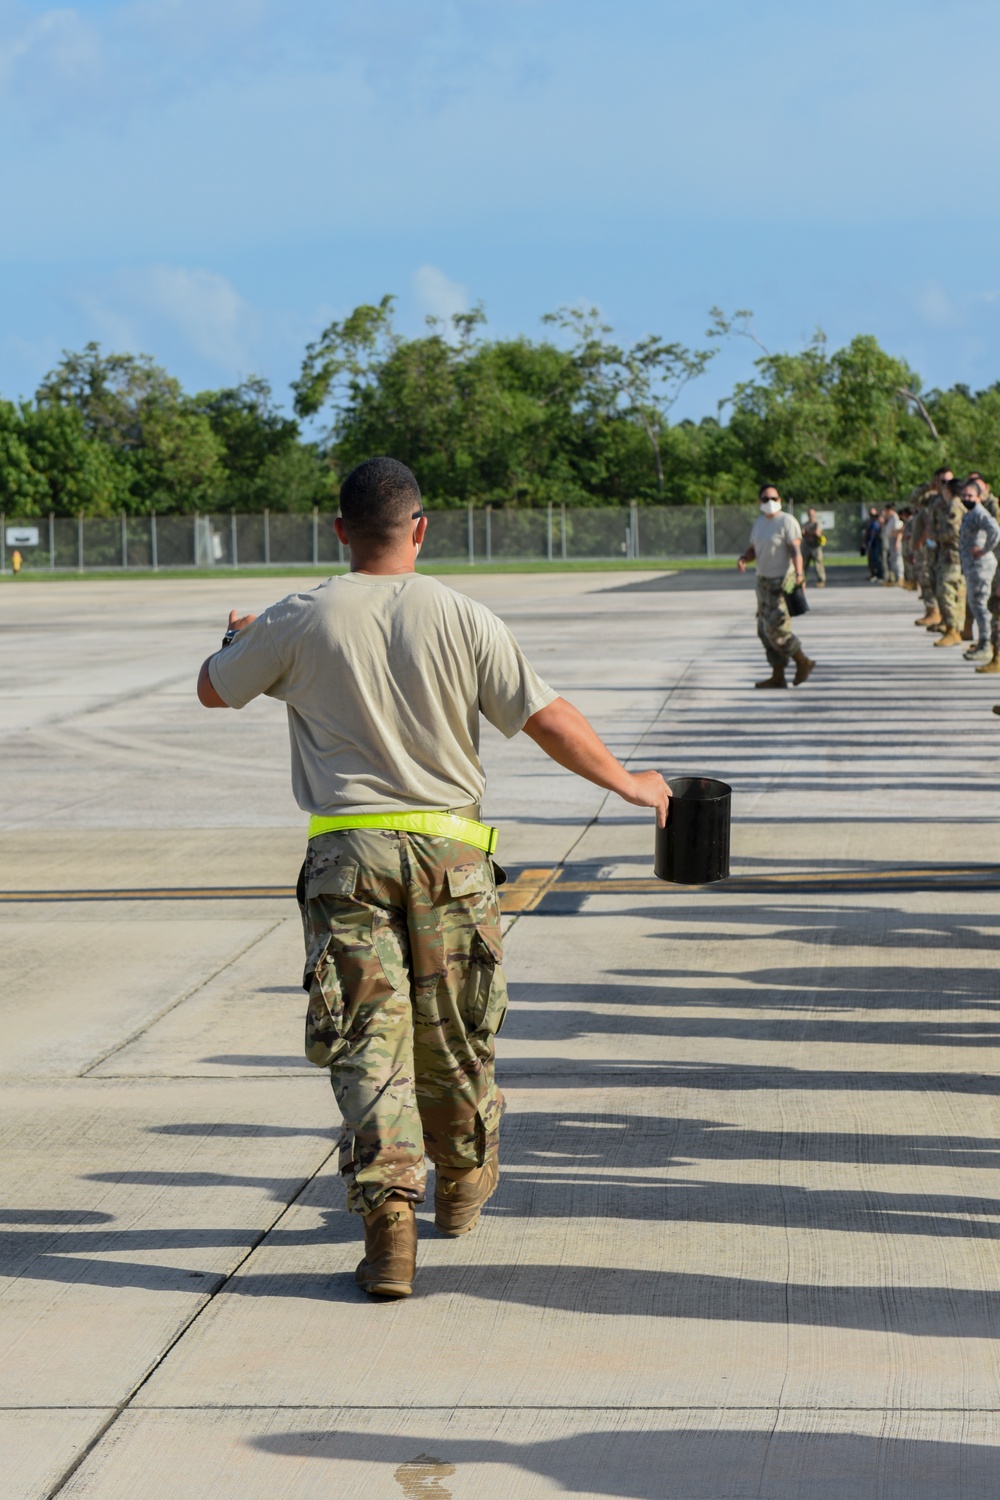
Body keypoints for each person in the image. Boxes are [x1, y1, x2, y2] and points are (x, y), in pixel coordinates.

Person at [196, 456, 670, 1299]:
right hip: (452, 856)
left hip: (349, 856)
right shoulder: (463, 616)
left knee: (369, 1046)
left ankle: (390, 1228)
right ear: (420, 528)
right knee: (455, 1036)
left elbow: (213, 690)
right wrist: (630, 784)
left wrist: (244, 639)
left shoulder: (298, 617)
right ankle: (460, 1181)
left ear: (339, 529)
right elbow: (546, 718)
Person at [737, 483, 815, 689]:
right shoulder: (760, 523)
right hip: (762, 582)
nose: (770, 503)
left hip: (783, 579)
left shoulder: (786, 521)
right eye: (765, 499)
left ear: (780, 500)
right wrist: (745, 557)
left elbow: (795, 551)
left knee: (778, 629)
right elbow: (754, 548)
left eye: (774, 498)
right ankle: (778, 675)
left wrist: (799, 575)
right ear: (759, 502)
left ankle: (803, 661)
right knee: (764, 630)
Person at [958, 478, 1000, 664]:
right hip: (972, 567)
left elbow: (995, 532)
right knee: (975, 605)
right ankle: (983, 642)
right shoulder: (969, 514)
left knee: (981, 606)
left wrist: (984, 550)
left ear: (979, 497)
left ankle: (986, 645)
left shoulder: (979, 513)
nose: (967, 498)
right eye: (964, 495)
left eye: (970, 495)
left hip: (981, 566)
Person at [925, 476, 967, 646]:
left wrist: (934, 536)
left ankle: (952, 629)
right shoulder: (954, 505)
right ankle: (955, 629)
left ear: (949, 491)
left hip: (952, 556)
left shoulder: (954, 506)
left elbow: (954, 532)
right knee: (954, 593)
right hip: (952, 555)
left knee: (946, 592)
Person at [914, 469, 952, 628]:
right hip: (931, 546)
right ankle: (935, 613)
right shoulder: (931, 499)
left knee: (945, 586)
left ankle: (947, 619)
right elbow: (913, 498)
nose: (945, 485)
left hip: (946, 548)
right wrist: (926, 487)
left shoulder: (954, 500)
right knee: (930, 580)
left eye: (948, 481)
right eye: (941, 481)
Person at [800, 508, 827, 586]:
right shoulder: (805, 524)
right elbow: (802, 534)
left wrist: (808, 533)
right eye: (809, 514)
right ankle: (802, 580)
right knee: (804, 564)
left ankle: (821, 580)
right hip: (806, 546)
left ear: (815, 515)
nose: (811, 516)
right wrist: (811, 533)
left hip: (816, 547)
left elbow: (817, 533)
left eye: (812, 514)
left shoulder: (817, 523)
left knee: (818, 564)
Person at [881, 502, 904, 585]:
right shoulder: (891, 518)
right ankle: (895, 577)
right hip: (891, 540)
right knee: (893, 559)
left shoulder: (895, 518)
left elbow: (899, 532)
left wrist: (897, 543)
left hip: (895, 540)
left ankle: (900, 577)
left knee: (897, 559)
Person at [899, 506, 918, 590]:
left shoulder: (912, 521)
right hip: (907, 544)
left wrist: (908, 536)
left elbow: (912, 532)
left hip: (910, 545)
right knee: (907, 562)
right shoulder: (908, 521)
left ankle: (913, 582)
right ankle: (910, 581)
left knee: (911, 563)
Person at [862, 507, 883, 581]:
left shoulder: (878, 522)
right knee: (871, 560)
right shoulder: (869, 522)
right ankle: (872, 574)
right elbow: (867, 532)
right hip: (871, 543)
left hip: (876, 543)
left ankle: (878, 574)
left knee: (876, 559)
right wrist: (864, 542)